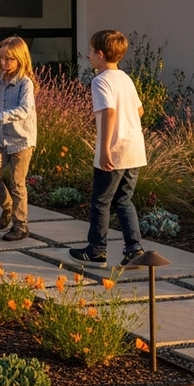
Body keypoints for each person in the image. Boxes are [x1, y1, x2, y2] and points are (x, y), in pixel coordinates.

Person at [70, 30, 147, 267]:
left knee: (101, 202)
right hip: (134, 149)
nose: (88, 56)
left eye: (91, 51)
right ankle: (134, 249)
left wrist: (104, 150)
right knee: (124, 200)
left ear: (100, 54)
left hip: (114, 150)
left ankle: (96, 250)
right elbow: (139, 111)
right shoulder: (125, 78)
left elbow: (109, 112)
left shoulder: (100, 80)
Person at [0, 36, 38, 241]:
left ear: (21, 59)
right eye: (1, 58)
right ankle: (8, 208)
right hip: (2, 137)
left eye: (9, 59)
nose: (4, 63)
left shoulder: (25, 83)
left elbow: (24, 110)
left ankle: (20, 225)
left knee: (17, 182)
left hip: (22, 140)